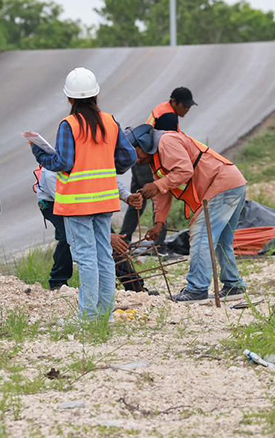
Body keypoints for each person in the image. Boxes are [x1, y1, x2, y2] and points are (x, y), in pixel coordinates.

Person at [30, 67, 139, 319]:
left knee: (87, 257)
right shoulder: (110, 122)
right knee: (103, 255)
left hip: (78, 203)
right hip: (104, 199)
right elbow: (128, 157)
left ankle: (89, 317)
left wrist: (38, 152)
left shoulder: (69, 125)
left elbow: (63, 163)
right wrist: (107, 167)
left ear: (70, 99)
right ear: (96, 95)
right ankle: (105, 315)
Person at [126, 123, 247, 303]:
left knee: (201, 236)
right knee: (222, 240)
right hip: (231, 184)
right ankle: (233, 285)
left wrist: (157, 185)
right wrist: (159, 222)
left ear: (142, 144)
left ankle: (197, 290)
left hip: (221, 186)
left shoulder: (167, 142)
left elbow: (184, 171)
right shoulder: (156, 158)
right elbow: (163, 191)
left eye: (135, 153)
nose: (135, 160)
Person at [34, 166, 150, 294]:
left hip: (86, 197)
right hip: (56, 202)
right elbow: (70, 208)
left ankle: (134, 286)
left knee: (110, 242)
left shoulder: (91, 156)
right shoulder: (53, 171)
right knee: (68, 236)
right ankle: (58, 281)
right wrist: (106, 235)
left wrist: (127, 197)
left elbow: (107, 177)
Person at [121, 87, 197, 244]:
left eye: (189, 107)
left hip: (140, 159)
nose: (187, 110)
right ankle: (159, 242)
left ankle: (125, 237)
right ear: (174, 102)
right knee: (158, 190)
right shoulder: (169, 117)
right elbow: (167, 144)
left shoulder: (162, 108)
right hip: (148, 160)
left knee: (138, 198)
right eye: (185, 106)